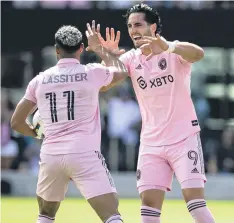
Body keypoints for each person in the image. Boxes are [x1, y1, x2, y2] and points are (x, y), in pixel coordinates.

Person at [95, 3, 215, 223]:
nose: (133, 30)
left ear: (153, 27)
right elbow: (104, 84)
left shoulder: (173, 50)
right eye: (130, 26)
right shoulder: (131, 58)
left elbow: (199, 53)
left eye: (138, 24)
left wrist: (169, 46)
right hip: (151, 143)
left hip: (183, 138)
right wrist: (106, 56)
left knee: (195, 204)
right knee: (149, 208)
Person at [11, 23, 127, 223]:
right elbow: (122, 71)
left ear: (56, 50)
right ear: (81, 48)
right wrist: (100, 49)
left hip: (51, 155)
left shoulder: (39, 80)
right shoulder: (93, 72)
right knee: (111, 215)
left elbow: (16, 122)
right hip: (84, 153)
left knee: (46, 215)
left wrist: (37, 133)